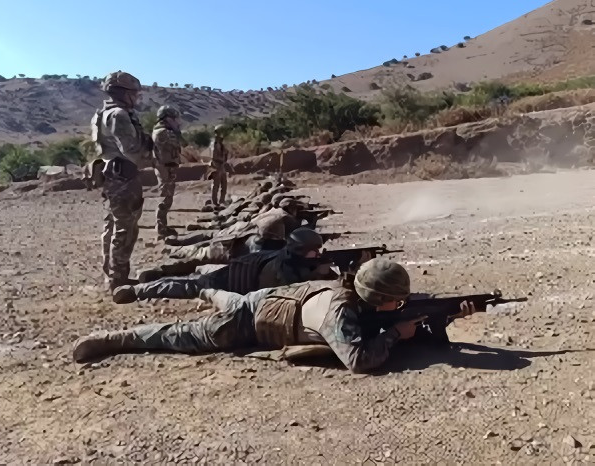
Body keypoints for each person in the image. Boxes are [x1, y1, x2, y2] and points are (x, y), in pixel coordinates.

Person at [73, 258, 476, 372]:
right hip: (243, 323)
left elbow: (382, 320)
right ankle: (115, 338)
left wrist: (447, 315)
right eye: (397, 301)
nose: (401, 307)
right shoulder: (339, 311)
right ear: (377, 297)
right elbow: (359, 360)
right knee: (178, 335)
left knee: (223, 295)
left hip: (258, 299)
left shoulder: (356, 297)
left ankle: (209, 290)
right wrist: (396, 336)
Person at [113, 227, 334, 303]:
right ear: (300, 251)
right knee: (189, 286)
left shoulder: (290, 258)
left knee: (198, 268)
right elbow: (293, 291)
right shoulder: (280, 271)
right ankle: (138, 290)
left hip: (241, 265)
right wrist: (321, 275)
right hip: (230, 282)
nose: (317, 255)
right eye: (314, 252)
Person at [90, 71, 153, 291]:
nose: (136, 98)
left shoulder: (102, 114)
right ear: (123, 93)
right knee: (125, 228)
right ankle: (119, 278)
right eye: (134, 93)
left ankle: (112, 274)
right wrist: (150, 153)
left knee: (113, 225)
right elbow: (132, 151)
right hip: (123, 174)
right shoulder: (118, 115)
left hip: (112, 174)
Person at [152, 105, 183, 239]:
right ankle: (160, 228)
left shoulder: (165, 131)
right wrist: (177, 132)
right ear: (167, 118)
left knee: (168, 198)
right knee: (165, 198)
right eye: (174, 118)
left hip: (168, 166)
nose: (177, 121)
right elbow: (178, 144)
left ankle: (163, 226)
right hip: (164, 168)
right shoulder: (162, 133)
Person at [209, 124, 229, 207]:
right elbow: (214, 156)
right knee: (216, 184)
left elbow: (225, 153)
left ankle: (222, 200)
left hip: (221, 165)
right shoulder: (214, 143)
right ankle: (214, 202)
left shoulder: (221, 143)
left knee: (224, 184)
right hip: (216, 165)